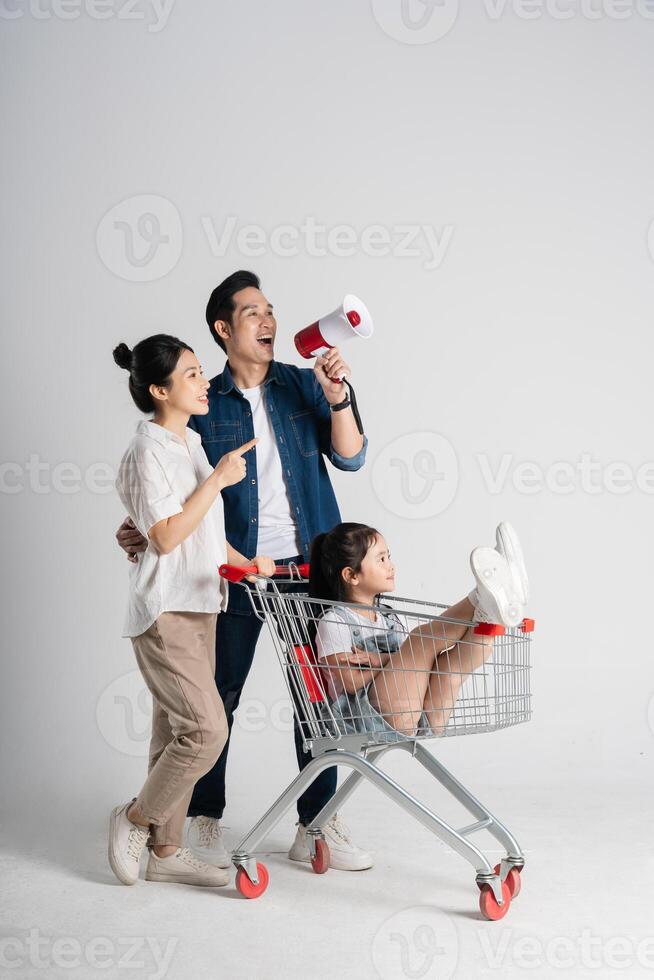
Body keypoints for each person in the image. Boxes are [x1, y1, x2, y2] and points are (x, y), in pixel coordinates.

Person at [115, 271, 372, 872]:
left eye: (271, 310)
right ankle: (203, 819)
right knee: (217, 697)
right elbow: (173, 476)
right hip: (234, 573)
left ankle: (316, 822)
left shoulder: (306, 385)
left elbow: (352, 455)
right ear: (223, 329)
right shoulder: (204, 398)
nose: (268, 321)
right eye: (252, 312)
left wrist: (337, 395)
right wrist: (139, 524)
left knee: (317, 698)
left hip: (312, 567)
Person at [109, 333, 274, 887]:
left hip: (204, 602)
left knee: (174, 731)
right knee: (207, 732)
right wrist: (219, 479)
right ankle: (134, 818)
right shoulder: (147, 449)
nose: (206, 382)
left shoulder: (191, 445)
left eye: (202, 371)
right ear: (160, 389)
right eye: (192, 374)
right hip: (166, 609)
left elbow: (202, 527)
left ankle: (166, 849)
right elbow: (164, 537)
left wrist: (248, 563)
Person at [310, 521, 530, 739]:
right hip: (368, 719)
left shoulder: (389, 617)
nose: (391, 566)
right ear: (351, 575)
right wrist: (387, 660)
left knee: (449, 667)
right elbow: (351, 683)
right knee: (420, 642)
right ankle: (482, 595)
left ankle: (489, 613)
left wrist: (384, 658)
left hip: (419, 713)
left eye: (389, 557)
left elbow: (413, 667)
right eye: (381, 559)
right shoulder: (334, 622)